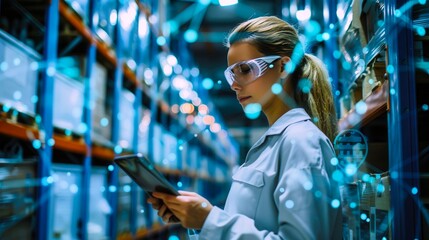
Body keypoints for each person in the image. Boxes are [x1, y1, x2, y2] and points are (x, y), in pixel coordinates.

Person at [148, 16, 342, 239]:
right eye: (232, 73)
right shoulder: (275, 142)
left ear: (283, 67)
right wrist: (197, 220)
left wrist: (210, 220)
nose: (234, 85)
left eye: (246, 69)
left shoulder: (301, 142)